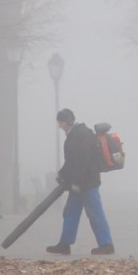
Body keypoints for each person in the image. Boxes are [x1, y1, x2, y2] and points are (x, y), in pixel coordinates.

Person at [47, 108, 114, 255]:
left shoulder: (81, 134)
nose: (60, 126)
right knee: (70, 212)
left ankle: (106, 244)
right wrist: (63, 173)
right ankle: (65, 243)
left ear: (68, 122)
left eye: (61, 123)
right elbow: (72, 160)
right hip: (78, 184)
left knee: (95, 213)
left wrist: (76, 182)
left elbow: (83, 161)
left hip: (87, 183)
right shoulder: (75, 134)